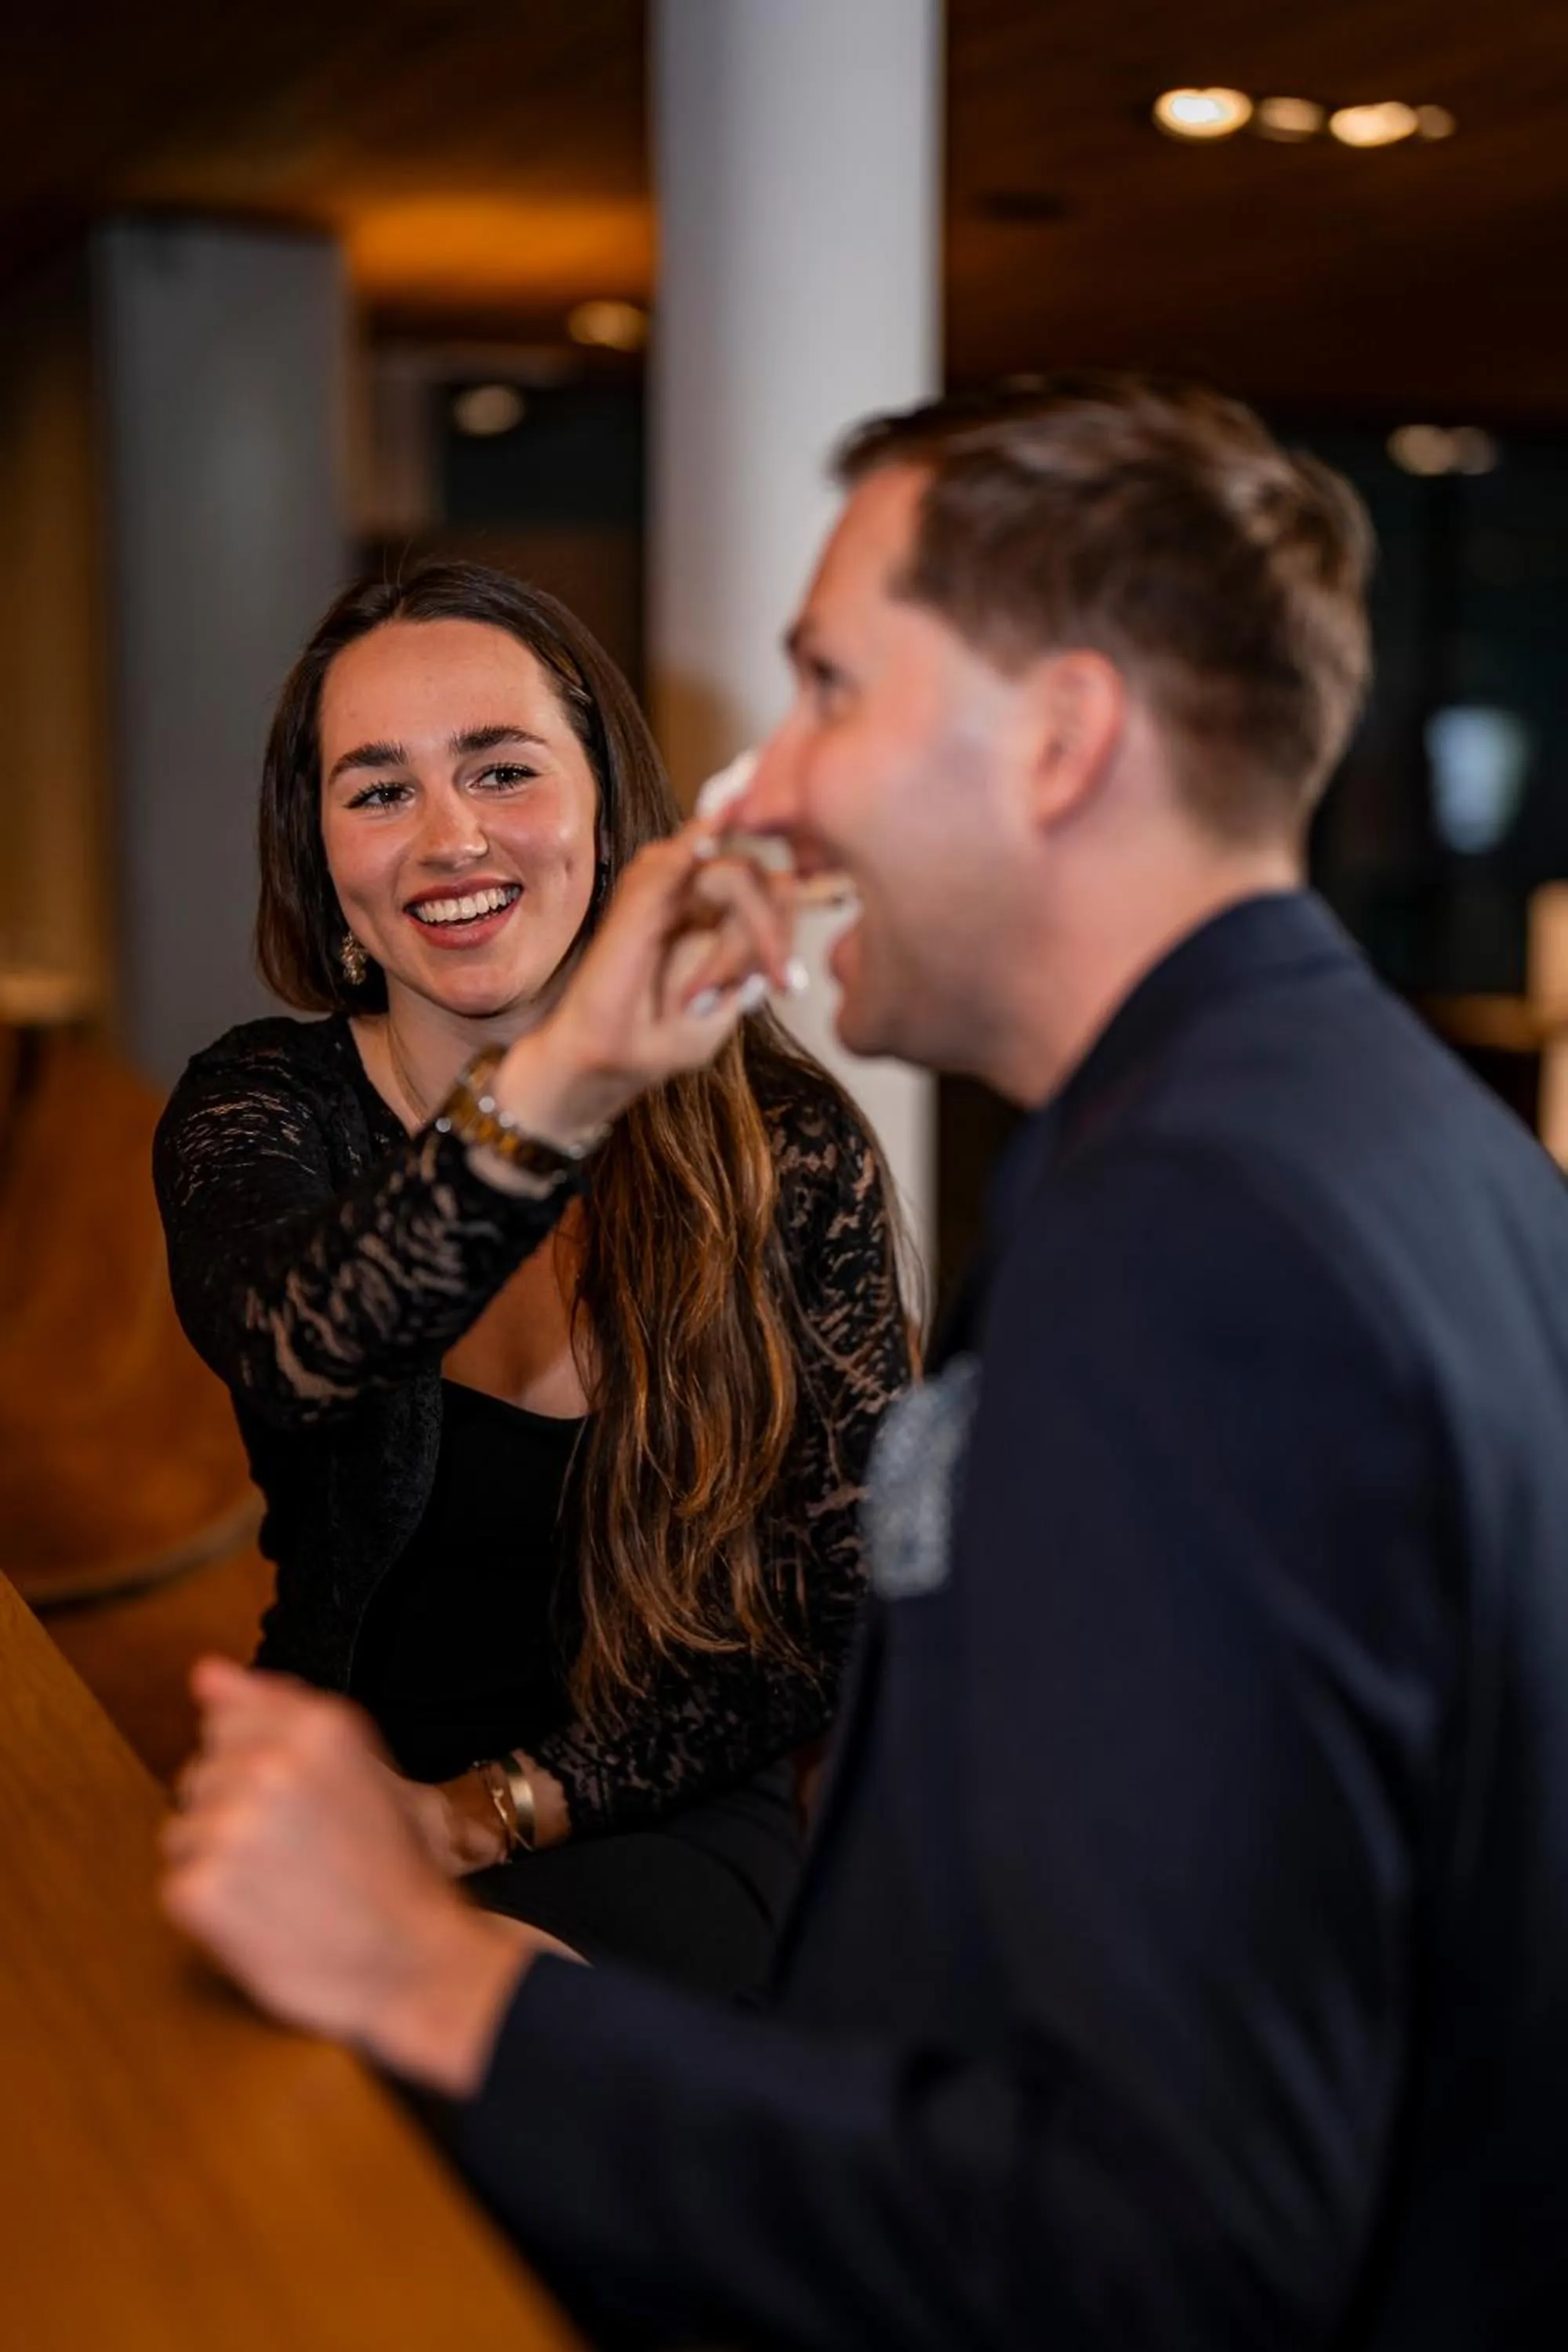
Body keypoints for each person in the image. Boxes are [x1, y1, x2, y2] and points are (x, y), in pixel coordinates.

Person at [163, 379, 1568, 2349]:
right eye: (375, 787)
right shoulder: (1363, 1138)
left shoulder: (1206, 1258)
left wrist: (439, 1977)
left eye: (828, 689)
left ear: (1064, 739)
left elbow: (1163, 2240)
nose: (761, 792)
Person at [154, 561, 910, 1999]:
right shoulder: (266, 1104)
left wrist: (493, 1809)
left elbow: (833, 1614)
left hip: (663, 1811)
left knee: (520, 2070)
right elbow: (301, 1346)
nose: (449, 838)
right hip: (338, 1781)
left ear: (606, 807)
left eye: (501, 770)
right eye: (377, 792)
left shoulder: (791, 1148)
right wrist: (560, 1090)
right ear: (323, 862)